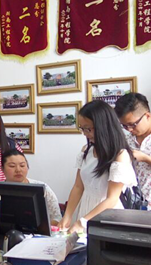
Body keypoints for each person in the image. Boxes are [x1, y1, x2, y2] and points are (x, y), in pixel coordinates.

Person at [58, 100, 137, 234]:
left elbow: (112, 199)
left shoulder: (120, 155)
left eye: (88, 128)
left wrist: (83, 222)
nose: (84, 133)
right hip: (85, 209)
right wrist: (67, 215)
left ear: (103, 126)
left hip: (105, 214)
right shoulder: (86, 151)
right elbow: (78, 187)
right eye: (82, 128)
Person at [2, 150, 62, 225]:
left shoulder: (43, 188)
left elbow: (57, 218)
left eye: (22, 165)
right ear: (2, 168)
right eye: (12, 166)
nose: (18, 170)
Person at [114, 92, 151, 203]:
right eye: (124, 126)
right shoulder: (126, 139)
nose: (129, 129)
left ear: (147, 116)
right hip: (132, 202)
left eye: (132, 124)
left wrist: (146, 158)